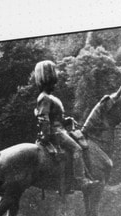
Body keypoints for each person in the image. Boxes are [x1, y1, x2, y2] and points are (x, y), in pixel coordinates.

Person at [31, 60, 94, 197]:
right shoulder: (44, 97)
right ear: (48, 79)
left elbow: (56, 118)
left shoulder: (51, 97)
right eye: (53, 79)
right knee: (77, 149)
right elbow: (44, 119)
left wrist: (66, 120)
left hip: (60, 130)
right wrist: (46, 136)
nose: (56, 82)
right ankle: (81, 181)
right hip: (56, 133)